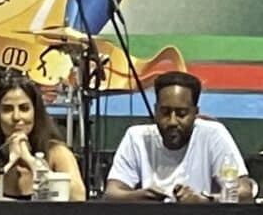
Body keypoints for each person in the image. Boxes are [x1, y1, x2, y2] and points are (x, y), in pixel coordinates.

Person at [105, 71, 253, 203]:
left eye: (181, 114)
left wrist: (203, 201)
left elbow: (244, 193)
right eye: (165, 113)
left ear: (195, 113)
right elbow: (112, 194)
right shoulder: (136, 137)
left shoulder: (213, 134)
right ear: (155, 111)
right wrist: (142, 197)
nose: (172, 121)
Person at [0, 76, 86, 201]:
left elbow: (79, 196)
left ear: (36, 112)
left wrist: (31, 161)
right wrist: (5, 165)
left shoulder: (56, 152)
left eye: (24, 108)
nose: (16, 117)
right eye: (7, 109)